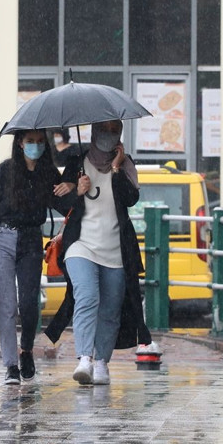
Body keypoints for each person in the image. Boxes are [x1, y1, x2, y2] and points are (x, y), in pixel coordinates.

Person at [46, 119, 152, 386]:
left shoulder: (125, 165)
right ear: (94, 131)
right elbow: (59, 202)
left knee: (110, 308)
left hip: (116, 248)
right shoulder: (76, 163)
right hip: (80, 244)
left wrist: (116, 168)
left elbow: (130, 199)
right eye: (103, 129)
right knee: (86, 296)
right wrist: (76, 190)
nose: (108, 135)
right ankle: (84, 358)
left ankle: (102, 361)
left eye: (114, 130)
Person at [0, 130, 74, 385]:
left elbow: (65, 206)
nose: (35, 146)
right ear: (20, 143)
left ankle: (26, 349)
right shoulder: (5, 170)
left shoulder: (48, 172)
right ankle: (10, 365)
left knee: (29, 304)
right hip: (1, 238)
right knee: (7, 306)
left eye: (40, 142)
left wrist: (74, 186)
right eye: (30, 141)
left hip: (31, 240)